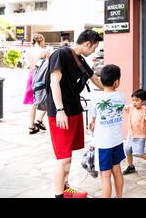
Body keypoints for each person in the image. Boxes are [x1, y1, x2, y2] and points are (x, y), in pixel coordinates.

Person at [46, 29, 104, 198]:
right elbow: (53, 82)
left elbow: (95, 79)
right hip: (61, 113)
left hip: (74, 110)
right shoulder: (61, 54)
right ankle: (59, 194)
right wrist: (59, 110)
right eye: (94, 47)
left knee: (68, 154)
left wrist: (113, 92)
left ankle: (66, 188)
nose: (94, 51)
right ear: (87, 44)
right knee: (63, 156)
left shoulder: (79, 59)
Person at [89, 64, 125, 198]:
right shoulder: (122, 96)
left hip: (103, 144)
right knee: (117, 171)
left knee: (105, 176)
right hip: (117, 141)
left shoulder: (95, 98)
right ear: (117, 82)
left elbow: (92, 123)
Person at [122, 89, 146, 175]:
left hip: (139, 136)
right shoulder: (131, 107)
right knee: (127, 150)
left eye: (137, 100)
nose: (134, 102)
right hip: (130, 134)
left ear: (143, 101)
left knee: (139, 153)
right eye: (133, 100)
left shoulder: (144, 109)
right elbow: (123, 107)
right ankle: (131, 167)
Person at [24, 34, 50, 134]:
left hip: (31, 75)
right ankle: (37, 121)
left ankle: (33, 124)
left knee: (33, 102)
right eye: (43, 41)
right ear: (40, 40)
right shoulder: (45, 51)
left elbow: (30, 64)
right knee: (48, 97)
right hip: (41, 77)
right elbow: (50, 65)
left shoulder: (29, 51)